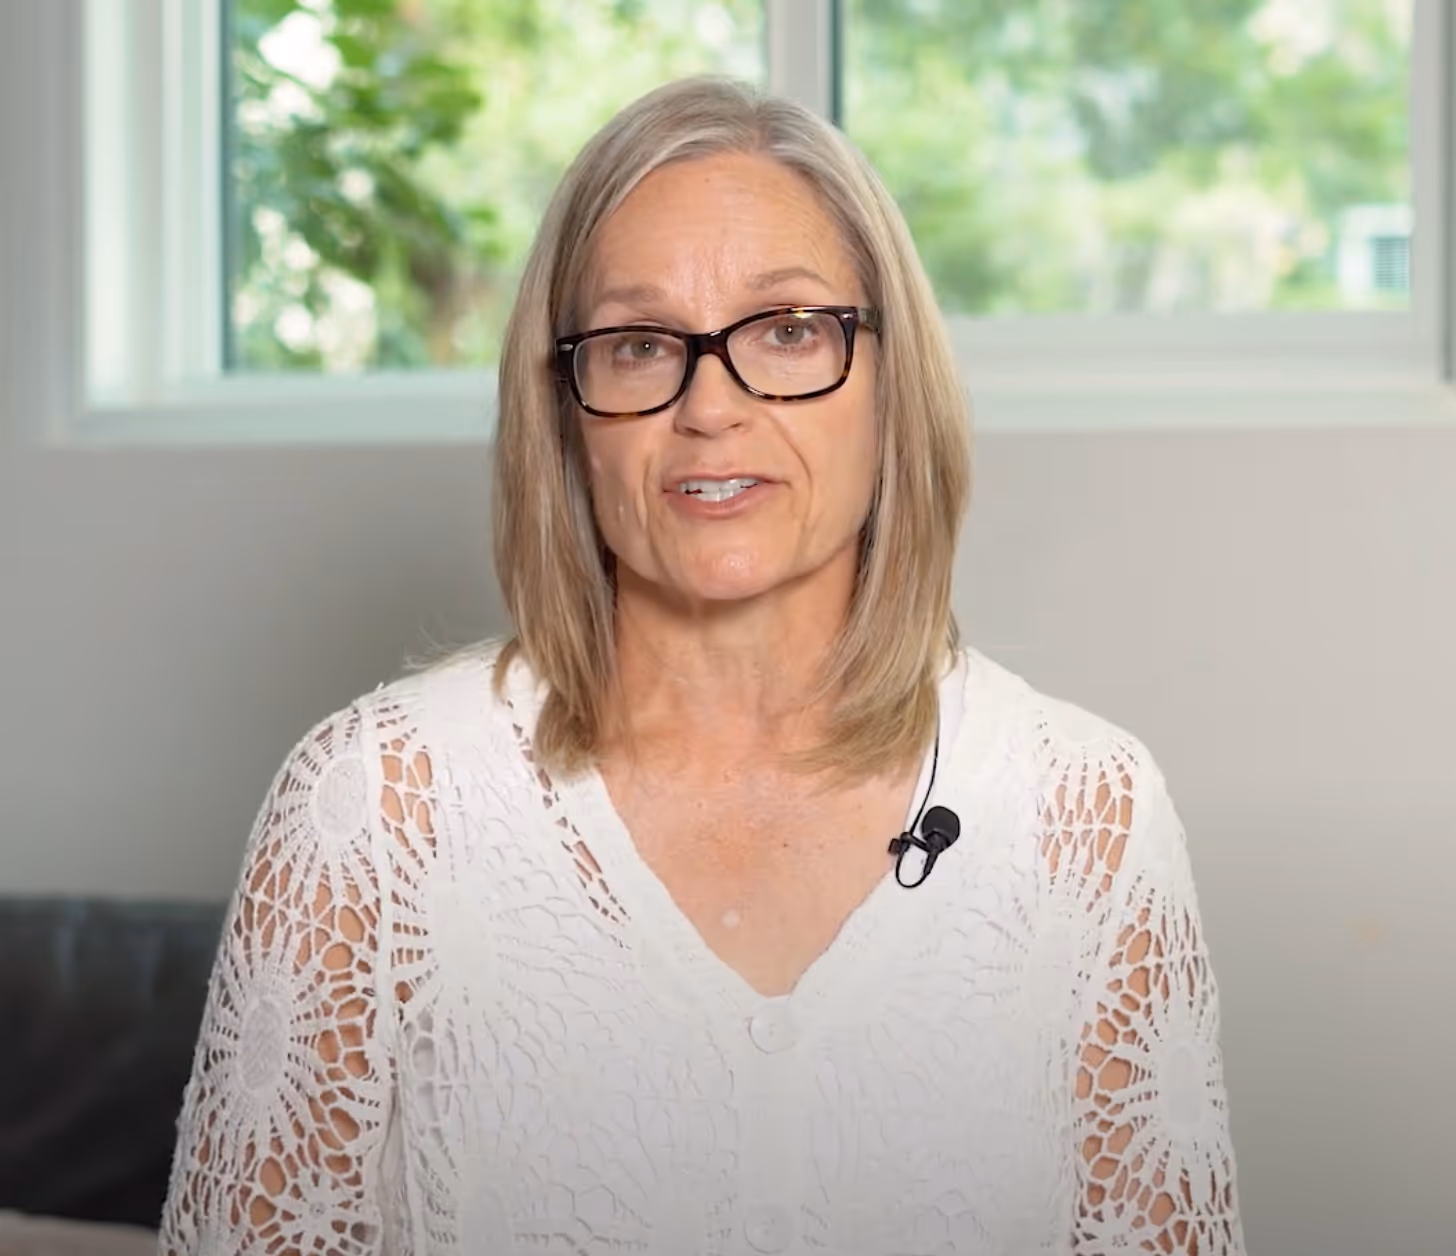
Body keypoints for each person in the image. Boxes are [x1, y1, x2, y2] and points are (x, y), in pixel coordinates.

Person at [159, 77, 1245, 1255]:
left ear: (891, 381)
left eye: (788, 329)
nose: (711, 407)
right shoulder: (374, 808)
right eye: (639, 345)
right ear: (567, 410)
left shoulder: (1090, 814)